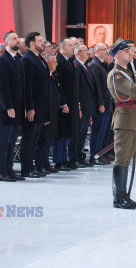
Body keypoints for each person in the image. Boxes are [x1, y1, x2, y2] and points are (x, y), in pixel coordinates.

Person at [107, 38, 136, 209]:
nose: (130, 53)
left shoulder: (127, 72)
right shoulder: (116, 74)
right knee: (121, 159)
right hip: (124, 120)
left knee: (127, 159)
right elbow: (133, 90)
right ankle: (118, 197)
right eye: (126, 51)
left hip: (133, 119)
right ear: (117, 55)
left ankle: (125, 195)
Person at [0, 31, 26, 181]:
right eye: (13, 38)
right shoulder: (2, 60)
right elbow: (2, 86)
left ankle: (10, 169)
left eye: (17, 38)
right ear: (6, 42)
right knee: (4, 142)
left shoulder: (18, 59)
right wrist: (8, 107)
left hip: (17, 107)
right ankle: (1, 172)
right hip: (7, 108)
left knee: (12, 142)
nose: (17, 40)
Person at [19, 32, 51, 178]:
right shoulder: (27, 60)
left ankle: (32, 167)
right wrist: (29, 107)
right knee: (28, 139)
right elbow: (27, 86)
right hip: (34, 107)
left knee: (35, 139)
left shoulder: (39, 59)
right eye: (40, 41)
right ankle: (26, 168)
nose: (43, 43)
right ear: (32, 43)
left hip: (41, 107)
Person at [72, 44, 104, 167]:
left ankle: (80, 157)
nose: (87, 53)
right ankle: (74, 157)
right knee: (78, 133)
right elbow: (76, 88)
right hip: (81, 105)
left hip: (88, 105)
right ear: (78, 53)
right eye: (84, 51)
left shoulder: (85, 66)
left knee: (83, 133)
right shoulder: (76, 65)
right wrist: (78, 105)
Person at [33, 53, 62, 174]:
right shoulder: (44, 77)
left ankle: (46, 163)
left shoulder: (52, 76)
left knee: (48, 140)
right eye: (54, 61)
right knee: (42, 141)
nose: (56, 64)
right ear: (47, 63)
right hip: (45, 113)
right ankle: (40, 165)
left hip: (53, 112)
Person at [55, 38, 79, 171]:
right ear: (62, 47)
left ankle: (65, 159)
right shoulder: (59, 61)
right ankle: (59, 160)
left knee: (69, 132)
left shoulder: (70, 61)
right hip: (63, 105)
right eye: (70, 45)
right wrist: (63, 103)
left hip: (72, 103)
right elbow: (60, 85)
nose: (72, 47)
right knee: (62, 133)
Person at [88, 43, 113, 165]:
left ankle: (100, 154)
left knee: (104, 132)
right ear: (97, 51)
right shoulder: (95, 65)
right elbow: (96, 87)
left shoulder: (103, 65)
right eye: (105, 49)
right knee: (97, 131)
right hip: (101, 104)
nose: (107, 51)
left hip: (107, 103)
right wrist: (100, 104)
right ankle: (94, 155)